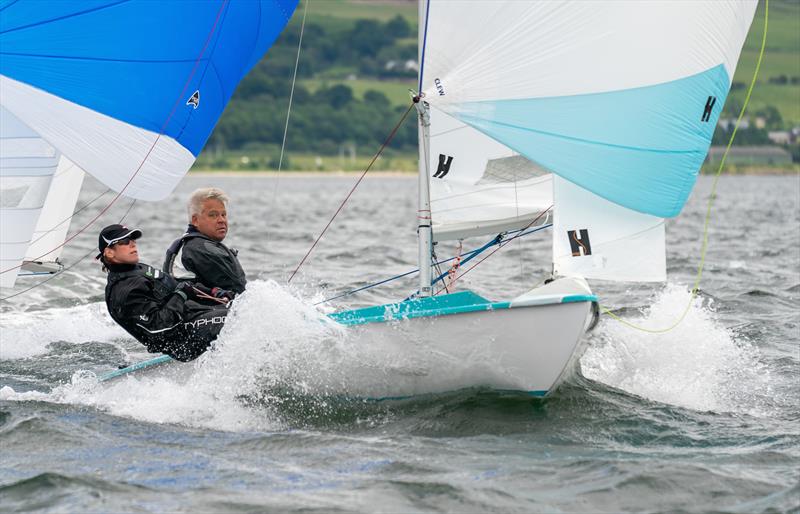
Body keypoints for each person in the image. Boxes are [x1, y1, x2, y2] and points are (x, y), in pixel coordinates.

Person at [98, 224, 233, 362]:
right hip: (183, 342)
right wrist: (181, 295)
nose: (132, 244)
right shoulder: (124, 291)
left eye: (133, 240)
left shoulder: (137, 269)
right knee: (237, 318)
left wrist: (214, 292)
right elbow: (159, 328)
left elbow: (178, 286)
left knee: (243, 304)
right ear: (109, 252)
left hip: (194, 316)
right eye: (125, 242)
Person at [163, 187, 246, 295]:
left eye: (223, 214)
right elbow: (239, 289)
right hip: (198, 309)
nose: (221, 220)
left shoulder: (183, 244)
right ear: (195, 220)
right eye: (213, 215)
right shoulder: (201, 248)